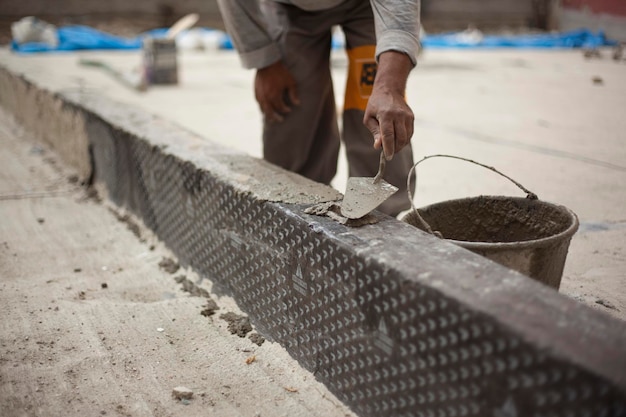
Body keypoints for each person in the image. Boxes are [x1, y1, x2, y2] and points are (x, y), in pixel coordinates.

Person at [216, 0, 420, 216]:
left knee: (379, 119)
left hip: (368, 7)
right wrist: (266, 62)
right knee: (292, 113)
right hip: (290, 9)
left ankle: (382, 221)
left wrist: (390, 86)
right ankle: (296, 214)